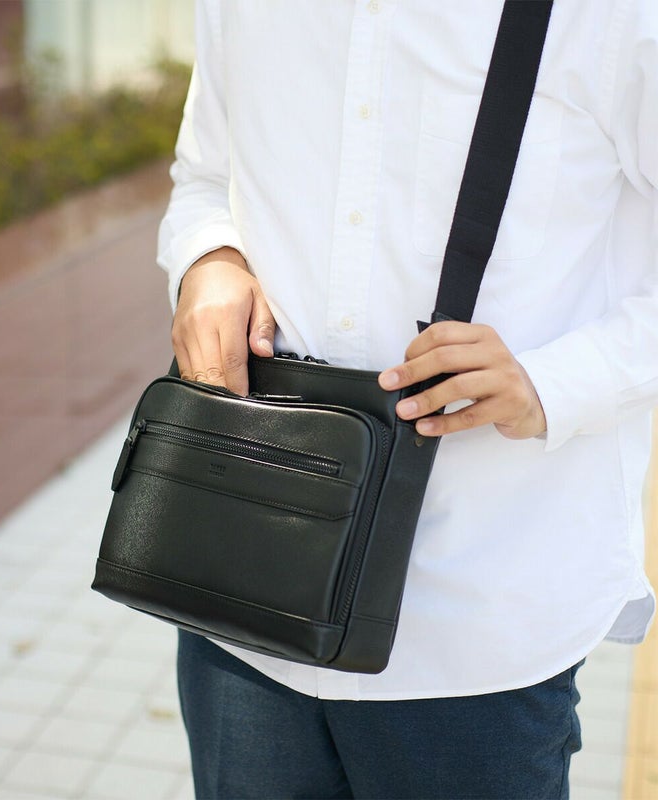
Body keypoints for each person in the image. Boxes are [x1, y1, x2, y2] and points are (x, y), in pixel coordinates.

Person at [156, 1, 658, 797]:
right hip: (242, 596)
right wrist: (209, 258)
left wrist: (554, 382)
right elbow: (205, 175)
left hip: (480, 630)